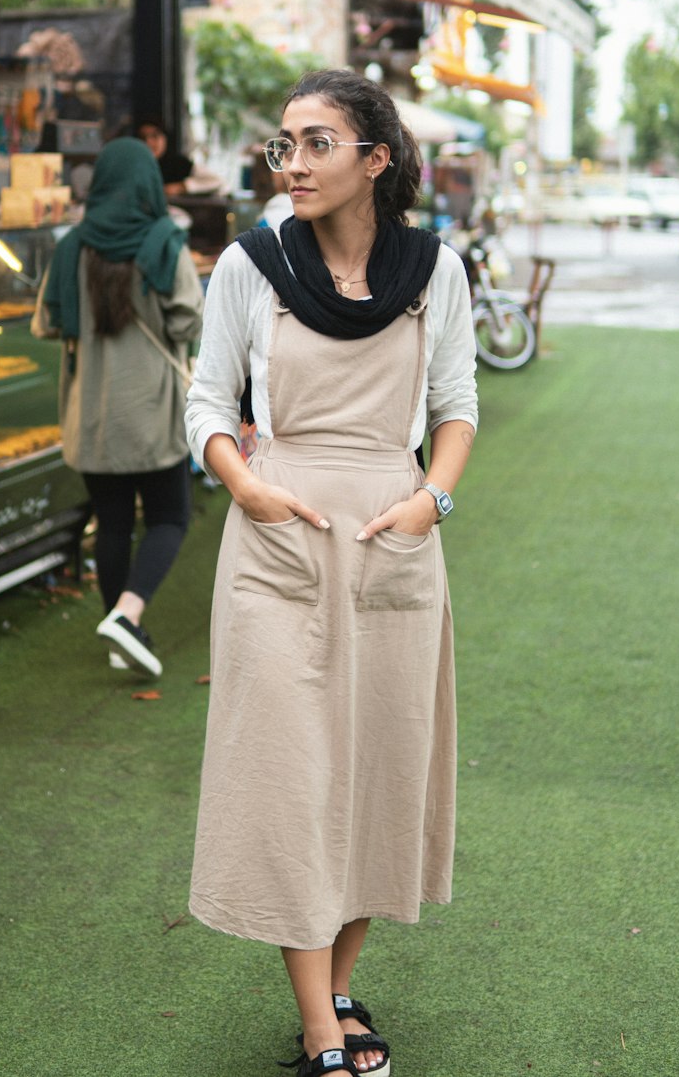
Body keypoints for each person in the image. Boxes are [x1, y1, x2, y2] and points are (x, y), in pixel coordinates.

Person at [184, 70, 478, 1077]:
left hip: (392, 540)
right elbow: (207, 403)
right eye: (284, 144)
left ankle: (342, 982)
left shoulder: (434, 272)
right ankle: (319, 1024)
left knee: (379, 769)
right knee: (288, 774)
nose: (294, 162)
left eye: (316, 142)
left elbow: (456, 406)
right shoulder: (250, 265)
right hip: (277, 540)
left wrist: (428, 501)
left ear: (375, 158)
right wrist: (248, 488)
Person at [32, 138, 203, 677]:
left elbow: (46, 322)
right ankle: (128, 617)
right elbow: (189, 323)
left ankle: (115, 632)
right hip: (153, 413)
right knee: (169, 518)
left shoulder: (72, 246)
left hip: (93, 416)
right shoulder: (164, 244)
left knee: (110, 524)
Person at [135, 117, 194, 196]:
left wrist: (181, 187)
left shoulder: (180, 164)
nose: (148, 142)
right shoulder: (132, 166)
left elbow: (214, 180)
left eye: (154, 136)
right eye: (143, 138)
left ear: (165, 138)